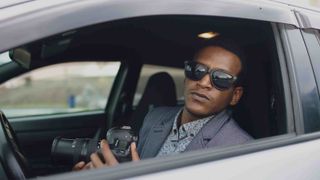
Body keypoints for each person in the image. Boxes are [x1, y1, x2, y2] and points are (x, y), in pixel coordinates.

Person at [73, 37, 253, 170]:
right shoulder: (154, 117)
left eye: (220, 78)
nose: (203, 83)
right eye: (197, 71)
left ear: (235, 95)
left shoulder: (242, 150)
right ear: (186, 77)